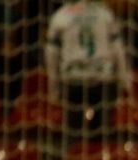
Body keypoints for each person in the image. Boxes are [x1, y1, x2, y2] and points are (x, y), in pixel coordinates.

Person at [46, 0, 131, 141]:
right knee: (101, 135)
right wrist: (124, 80)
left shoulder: (60, 16)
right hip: (102, 78)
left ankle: (74, 157)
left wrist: (54, 86)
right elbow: (118, 50)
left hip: (73, 79)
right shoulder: (104, 14)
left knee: (74, 133)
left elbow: (51, 54)